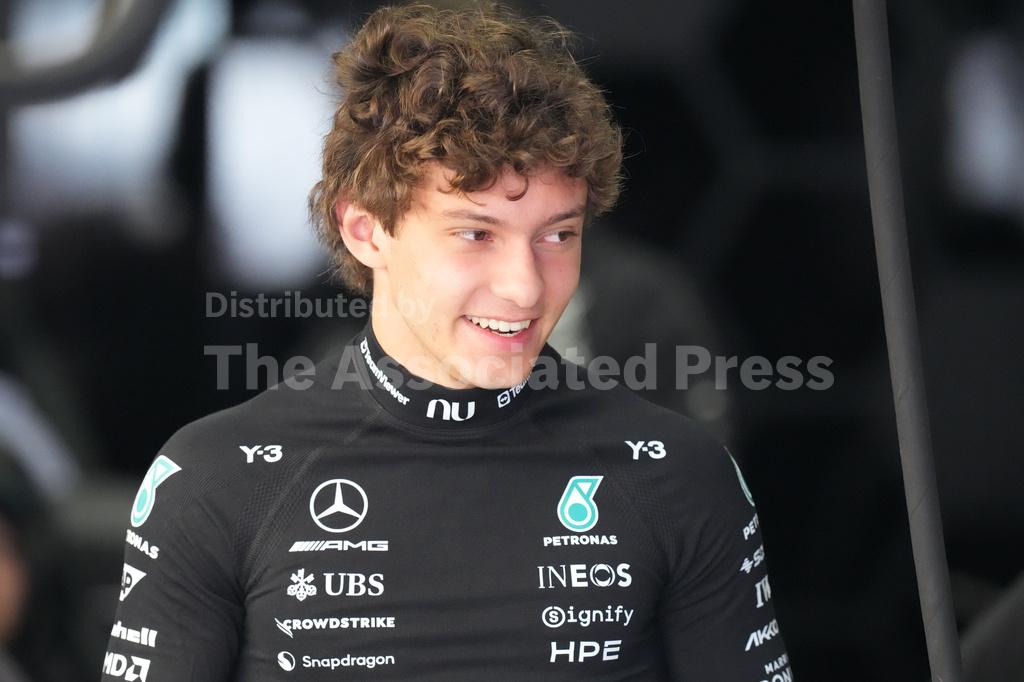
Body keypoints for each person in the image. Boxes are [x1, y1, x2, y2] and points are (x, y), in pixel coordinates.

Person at [101, 3, 791, 680]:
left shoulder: (678, 476)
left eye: (558, 234)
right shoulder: (218, 480)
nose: (525, 287)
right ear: (365, 230)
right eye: (475, 234)